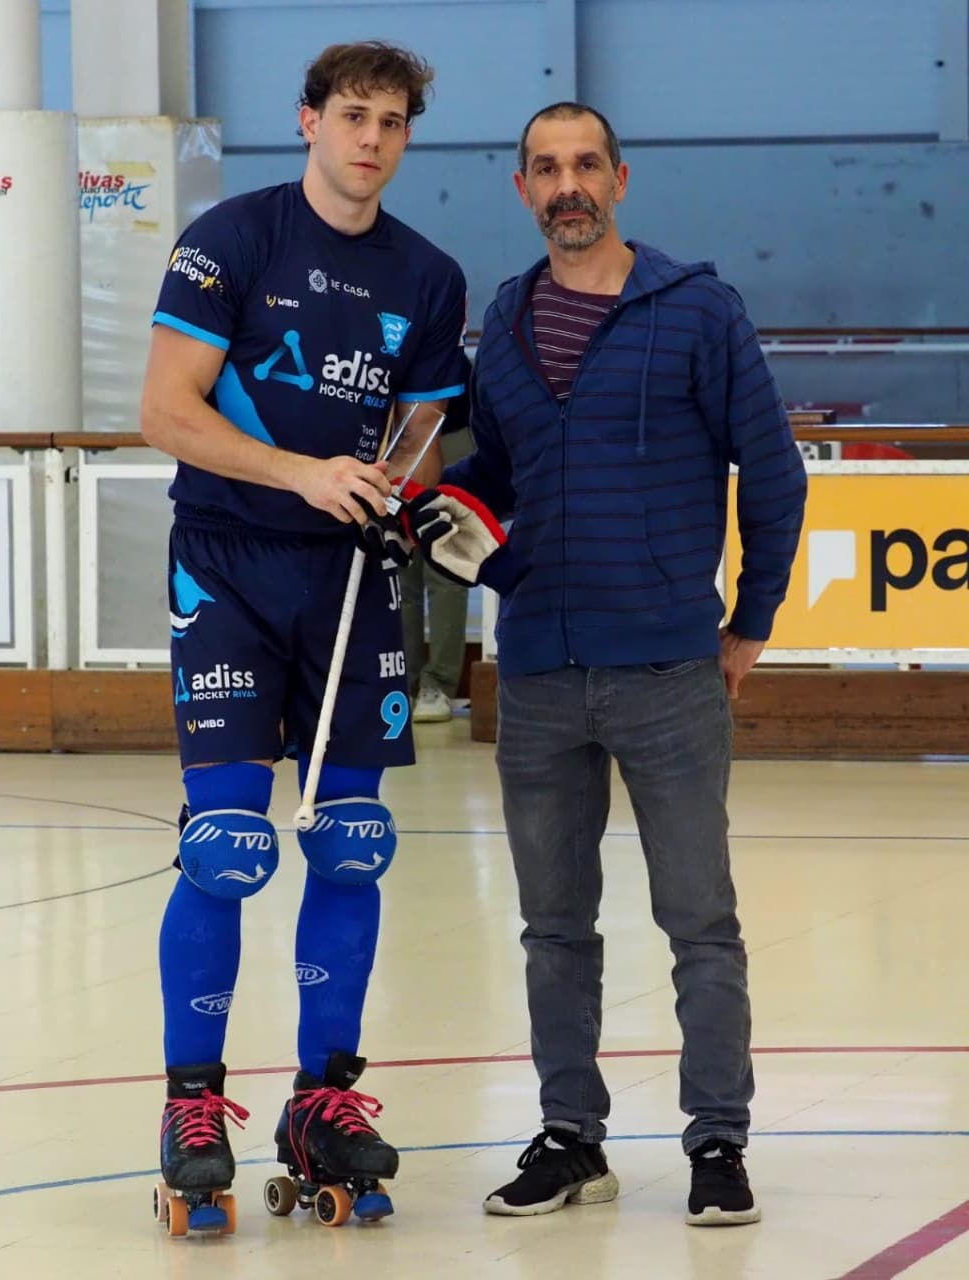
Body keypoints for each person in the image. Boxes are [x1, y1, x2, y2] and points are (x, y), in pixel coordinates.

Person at [441, 102, 807, 1224]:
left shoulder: (696, 309)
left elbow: (773, 472)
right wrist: (453, 528)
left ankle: (716, 1138)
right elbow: (493, 478)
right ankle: (571, 1134)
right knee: (553, 925)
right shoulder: (502, 322)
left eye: (585, 164)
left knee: (699, 920)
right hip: (541, 671)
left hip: (666, 670)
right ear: (522, 190)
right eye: (545, 169)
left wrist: (745, 625)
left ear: (619, 178)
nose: (567, 185)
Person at [138, 40, 468, 1224]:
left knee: (352, 841)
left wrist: (409, 486)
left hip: (352, 578)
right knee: (226, 840)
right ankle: (190, 1103)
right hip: (228, 564)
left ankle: (322, 1098)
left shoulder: (428, 276)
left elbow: (423, 429)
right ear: (308, 121)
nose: (369, 137)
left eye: (391, 120)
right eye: (350, 115)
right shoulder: (233, 238)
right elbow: (164, 410)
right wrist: (297, 472)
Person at [400, 357, 474, 722]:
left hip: (450, 435)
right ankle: (403, 680)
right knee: (399, 570)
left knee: (445, 570)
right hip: (396, 440)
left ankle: (439, 685)